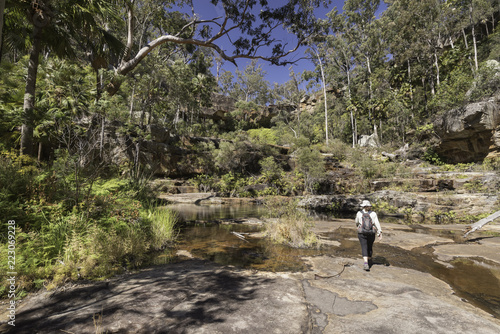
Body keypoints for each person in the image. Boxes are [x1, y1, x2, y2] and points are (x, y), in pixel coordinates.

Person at [355, 200, 382, 271]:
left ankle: (366, 263)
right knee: (370, 246)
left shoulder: (359, 213)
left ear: (363, 206)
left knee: (364, 247)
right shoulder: (373, 213)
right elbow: (377, 223)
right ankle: (369, 260)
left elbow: (356, 222)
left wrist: (358, 226)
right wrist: (379, 232)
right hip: (371, 232)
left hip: (361, 233)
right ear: (369, 206)